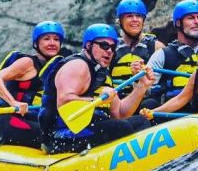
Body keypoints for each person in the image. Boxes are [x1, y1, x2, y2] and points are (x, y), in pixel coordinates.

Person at [39, 23, 155, 154]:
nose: (109, 51)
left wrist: (142, 86)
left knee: (141, 122)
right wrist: (97, 100)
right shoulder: (77, 65)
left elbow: (120, 113)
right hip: (60, 134)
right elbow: (64, 100)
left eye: (113, 47)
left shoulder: (102, 73)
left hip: (90, 128)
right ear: (89, 46)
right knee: (120, 127)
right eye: (104, 45)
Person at [0, 21, 64, 148]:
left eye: (56, 39)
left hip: (31, 117)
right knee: (53, 137)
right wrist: (14, 102)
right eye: (46, 39)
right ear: (36, 43)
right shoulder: (27, 62)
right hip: (9, 120)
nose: (52, 43)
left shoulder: (56, 66)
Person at [147, 0, 198, 110]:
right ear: (178, 23)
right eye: (190, 18)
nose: (196, 21)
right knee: (148, 103)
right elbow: (146, 90)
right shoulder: (163, 55)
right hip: (175, 114)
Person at [109, 0, 165, 107]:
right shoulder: (111, 47)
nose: (135, 19)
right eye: (129, 16)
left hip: (145, 102)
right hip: (117, 101)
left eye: (139, 16)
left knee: (150, 104)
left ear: (143, 20)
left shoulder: (156, 46)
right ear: (120, 21)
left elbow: (162, 83)